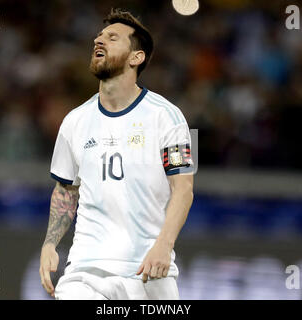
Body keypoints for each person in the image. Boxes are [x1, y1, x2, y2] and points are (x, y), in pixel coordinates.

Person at [39, 8, 194, 300]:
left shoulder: (169, 117)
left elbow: (183, 189)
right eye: (98, 37)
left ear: (137, 57)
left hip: (148, 273)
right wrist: (50, 243)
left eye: (112, 38)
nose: (99, 41)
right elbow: (66, 189)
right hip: (84, 272)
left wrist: (164, 245)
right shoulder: (74, 121)